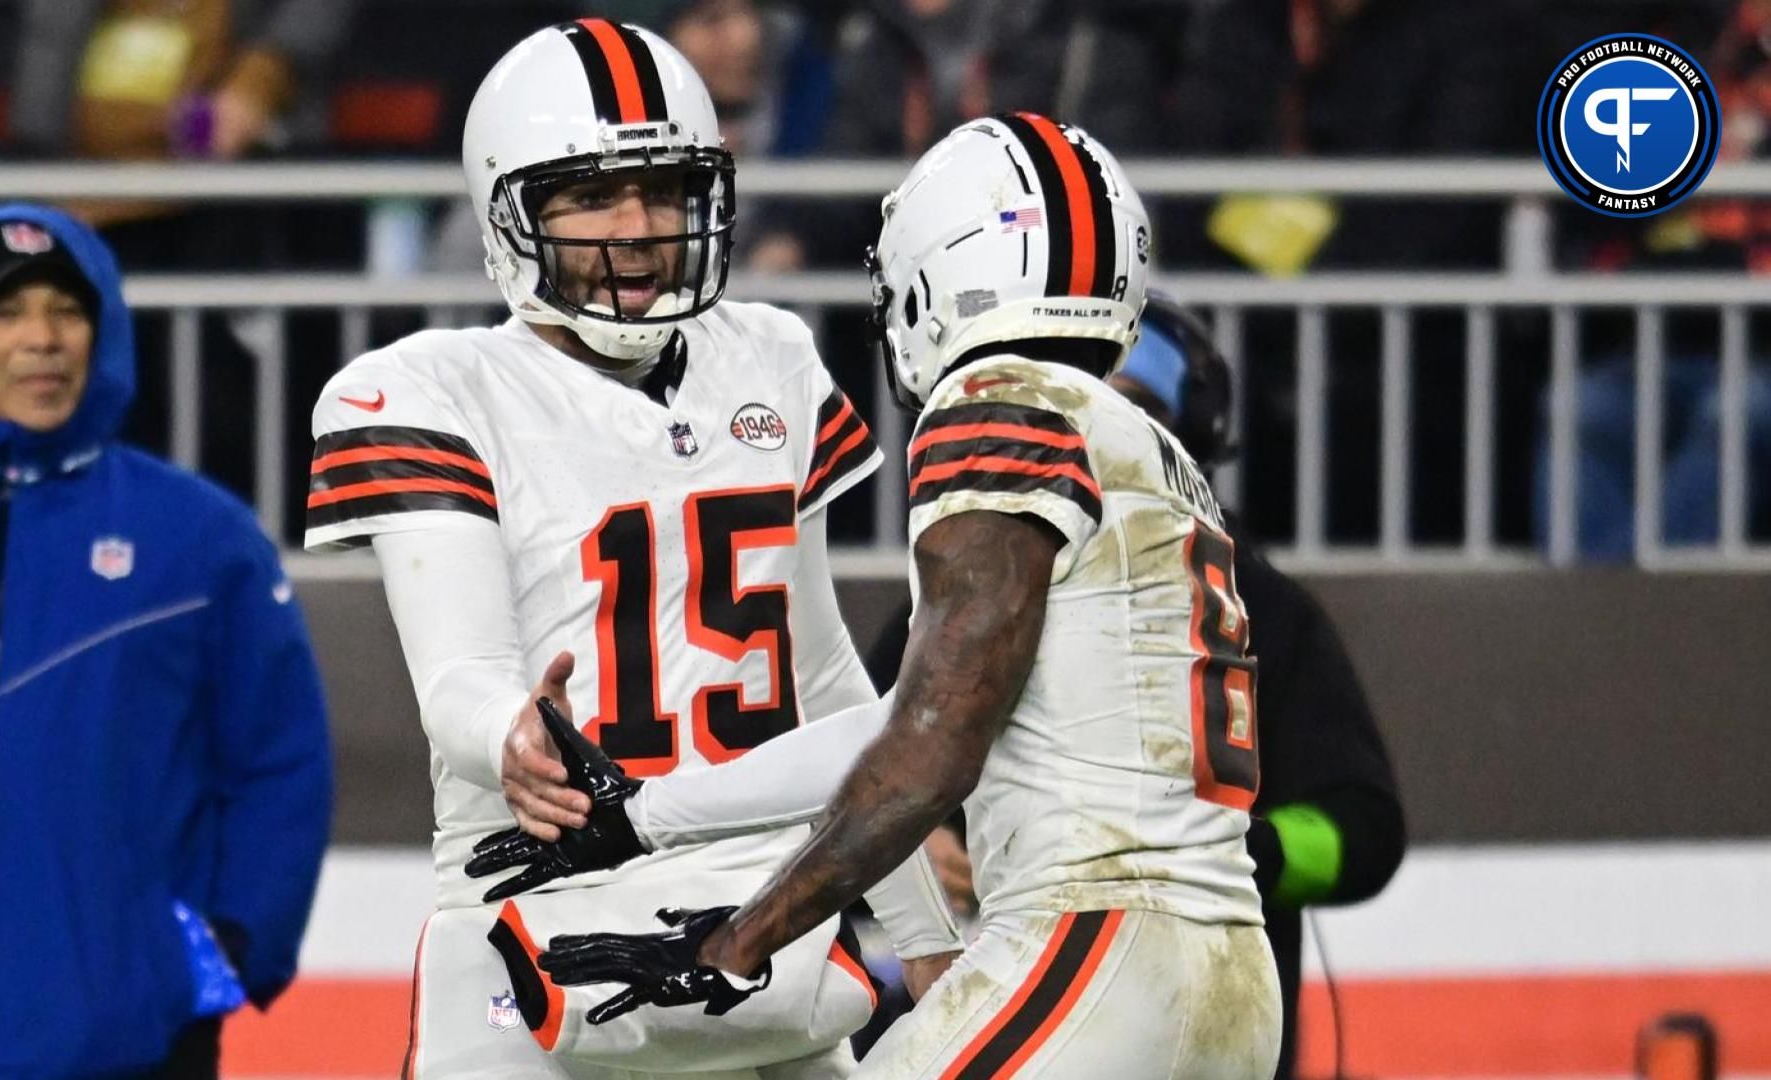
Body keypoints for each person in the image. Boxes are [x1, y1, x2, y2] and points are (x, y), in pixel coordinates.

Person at [484, 113, 1283, 1077]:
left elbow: (926, 754)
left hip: (1096, 945)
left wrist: (734, 942)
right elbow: (906, 723)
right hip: (1229, 970)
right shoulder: (1150, 446)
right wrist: (650, 815)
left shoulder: (996, 401)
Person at [301, 19, 961, 1079]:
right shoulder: (433, 389)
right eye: (594, 196)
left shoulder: (771, 357)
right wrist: (513, 736)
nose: (641, 228)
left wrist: (922, 931)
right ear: (511, 209)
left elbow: (825, 675)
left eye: (664, 191)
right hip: (535, 932)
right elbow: (460, 677)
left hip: (760, 935)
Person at [0, 204, 333, 1078]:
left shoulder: (198, 539)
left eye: (68, 310)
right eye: (5, 313)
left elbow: (279, 760)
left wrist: (224, 954)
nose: (43, 339)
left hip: (130, 1045)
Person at [1109, 294, 1407, 1080]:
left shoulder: (1263, 610)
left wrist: (1241, 851)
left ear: (1192, 435)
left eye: (1128, 409)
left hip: (1208, 1035)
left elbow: (1363, 832)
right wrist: (922, 856)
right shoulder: (964, 584)